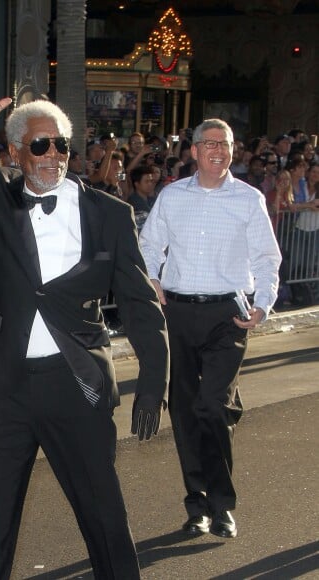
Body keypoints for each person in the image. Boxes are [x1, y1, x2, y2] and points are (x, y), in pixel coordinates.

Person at [0, 63, 169, 580]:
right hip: (9, 387)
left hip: (76, 382)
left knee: (103, 516)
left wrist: (153, 379)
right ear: (14, 153)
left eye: (61, 146)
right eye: (39, 146)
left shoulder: (108, 214)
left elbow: (140, 303)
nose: (52, 155)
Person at [139, 118, 282, 540]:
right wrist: (152, 278)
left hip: (228, 315)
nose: (219, 151)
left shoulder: (248, 199)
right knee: (184, 411)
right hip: (179, 314)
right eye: (211, 144)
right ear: (195, 151)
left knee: (212, 406)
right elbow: (149, 244)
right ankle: (197, 504)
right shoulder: (172, 196)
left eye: (226, 144)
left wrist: (263, 305)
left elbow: (266, 258)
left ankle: (223, 506)